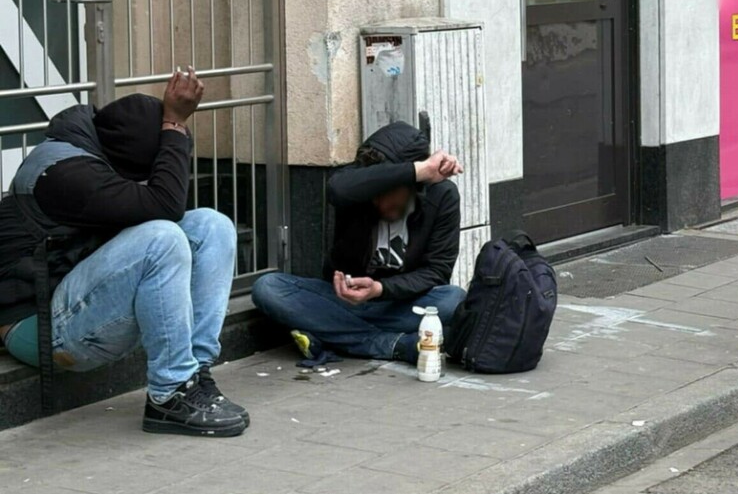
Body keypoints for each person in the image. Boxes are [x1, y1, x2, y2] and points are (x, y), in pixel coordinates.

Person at [0, 69, 248, 437]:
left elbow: (167, 205)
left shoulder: (93, 155)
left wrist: (171, 128)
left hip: (76, 301)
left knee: (212, 226)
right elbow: (165, 205)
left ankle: (193, 374)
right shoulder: (68, 175)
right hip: (39, 329)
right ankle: (170, 394)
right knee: (161, 238)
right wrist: (175, 124)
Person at [252, 122, 466, 365]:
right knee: (268, 288)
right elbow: (337, 188)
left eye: (388, 192)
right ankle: (394, 345)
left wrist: (380, 289)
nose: (378, 201)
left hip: (398, 304)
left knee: (453, 300)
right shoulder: (353, 188)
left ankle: (332, 334)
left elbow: (436, 272)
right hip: (344, 302)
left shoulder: (442, 196)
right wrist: (418, 170)